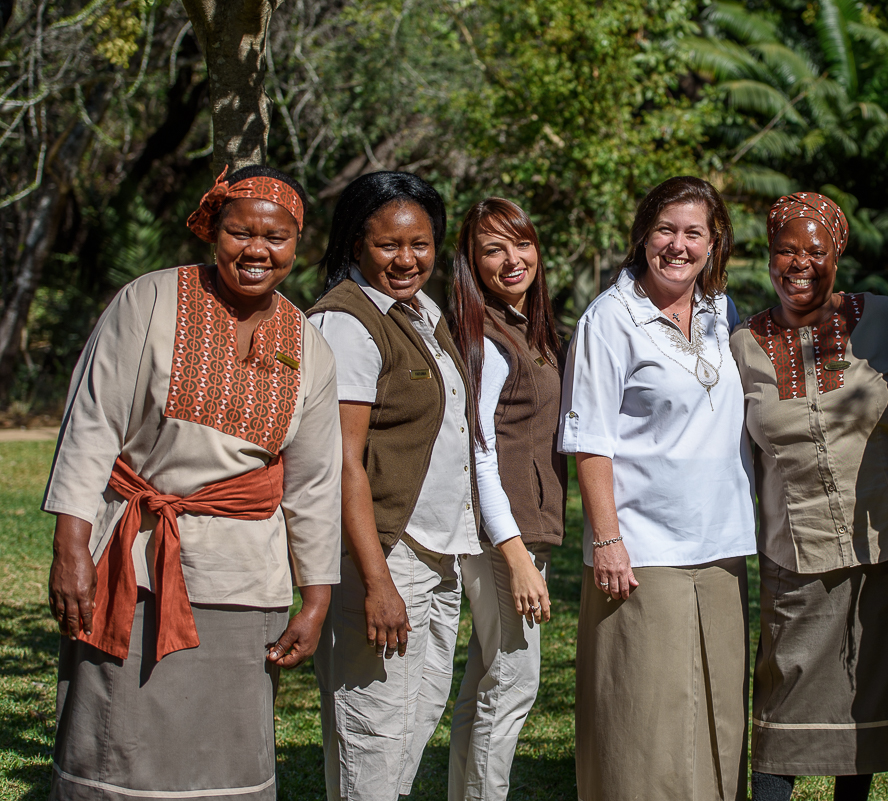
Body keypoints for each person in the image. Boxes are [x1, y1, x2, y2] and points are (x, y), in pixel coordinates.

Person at [43, 165, 342, 800]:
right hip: (134, 561)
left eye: (277, 237)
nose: (257, 250)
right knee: (117, 744)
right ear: (213, 230)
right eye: (240, 232)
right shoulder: (148, 300)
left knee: (223, 757)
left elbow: (315, 483)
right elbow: (91, 424)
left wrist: (315, 599)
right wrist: (71, 546)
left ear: (298, 244)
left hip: (242, 579)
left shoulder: (309, 346)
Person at [559, 176, 757, 800]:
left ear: (714, 242)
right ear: (643, 235)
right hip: (644, 550)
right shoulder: (609, 320)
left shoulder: (720, 310)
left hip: (721, 545)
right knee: (644, 719)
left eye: (693, 233)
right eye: (665, 230)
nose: (677, 245)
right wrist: (608, 540)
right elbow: (591, 441)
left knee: (716, 709)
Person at [729, 192, 888, 801]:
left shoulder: (887, 320)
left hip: (884, 546)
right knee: (782, 705)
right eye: (785, 250)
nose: (799, 263)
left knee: (863, 697)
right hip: (795, 554)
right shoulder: (743, 345)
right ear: (768, 257)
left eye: (814, 250)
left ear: (836, 254)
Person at [308, 171, 481, 801]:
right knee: (373, 730)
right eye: (388, 246)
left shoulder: (422, 312)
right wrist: (377, 582)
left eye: (421, 244)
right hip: (384, 550)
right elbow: (342, 462)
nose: (406, 260)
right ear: (357, 244)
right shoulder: (348, 324)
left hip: (435, 549)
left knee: (412, 719)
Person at [446, 197, 567, 799]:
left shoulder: (527, 327)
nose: (512, 259)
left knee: (488, 677)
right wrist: (515, 553)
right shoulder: (486, 337)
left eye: (521, 243)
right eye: (493, 249)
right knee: (514, 681)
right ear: (471, 260)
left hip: (517, 529)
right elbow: (480, 453)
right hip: (502, 535)